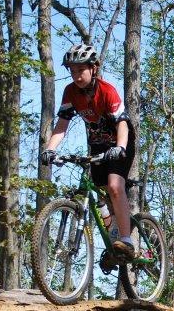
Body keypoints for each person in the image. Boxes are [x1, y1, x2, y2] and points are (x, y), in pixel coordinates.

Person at [41, 43, 136, 259]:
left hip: (121, 140)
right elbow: (61, 125)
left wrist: (120, 147)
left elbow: (122, 123)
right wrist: (50, 149)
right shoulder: (70, 92)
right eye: (72, 71)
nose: (76, 75)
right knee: (99, 189)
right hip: (97, 143)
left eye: (80, 70)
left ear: (93, 69)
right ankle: (113, 236)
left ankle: (127, 241)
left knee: (114, 185)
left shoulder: (106, 90)